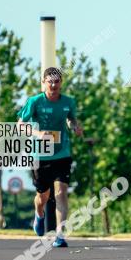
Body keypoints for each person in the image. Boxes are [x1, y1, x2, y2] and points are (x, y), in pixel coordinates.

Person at [18, 67, 82, 247]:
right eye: (50, 81)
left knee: (61, 192)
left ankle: (60, 235)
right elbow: (20, 125)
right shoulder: (35, 102)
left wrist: (75, 126)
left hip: (62, 152)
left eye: (57, 81)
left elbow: (71, 118)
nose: (53, 85)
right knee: (43, 196)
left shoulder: (68, 101)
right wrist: (38, 133)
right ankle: (39, 214)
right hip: (41, 154)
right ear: (44, 82)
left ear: (61, 83)